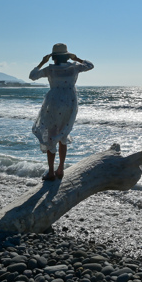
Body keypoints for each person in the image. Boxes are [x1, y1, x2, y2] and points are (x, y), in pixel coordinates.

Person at [28, 43, 93, 181]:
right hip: (69, 103)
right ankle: (60, 169)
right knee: (63, 134)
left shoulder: (50, 69)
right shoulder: (74, 67)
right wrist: (78, 58)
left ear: (54, 57)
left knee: (51, 135)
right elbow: (90, 65)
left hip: (53, 103)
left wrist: (41, 62)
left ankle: (51, 172)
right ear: (66, 56)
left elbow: (32, 76)